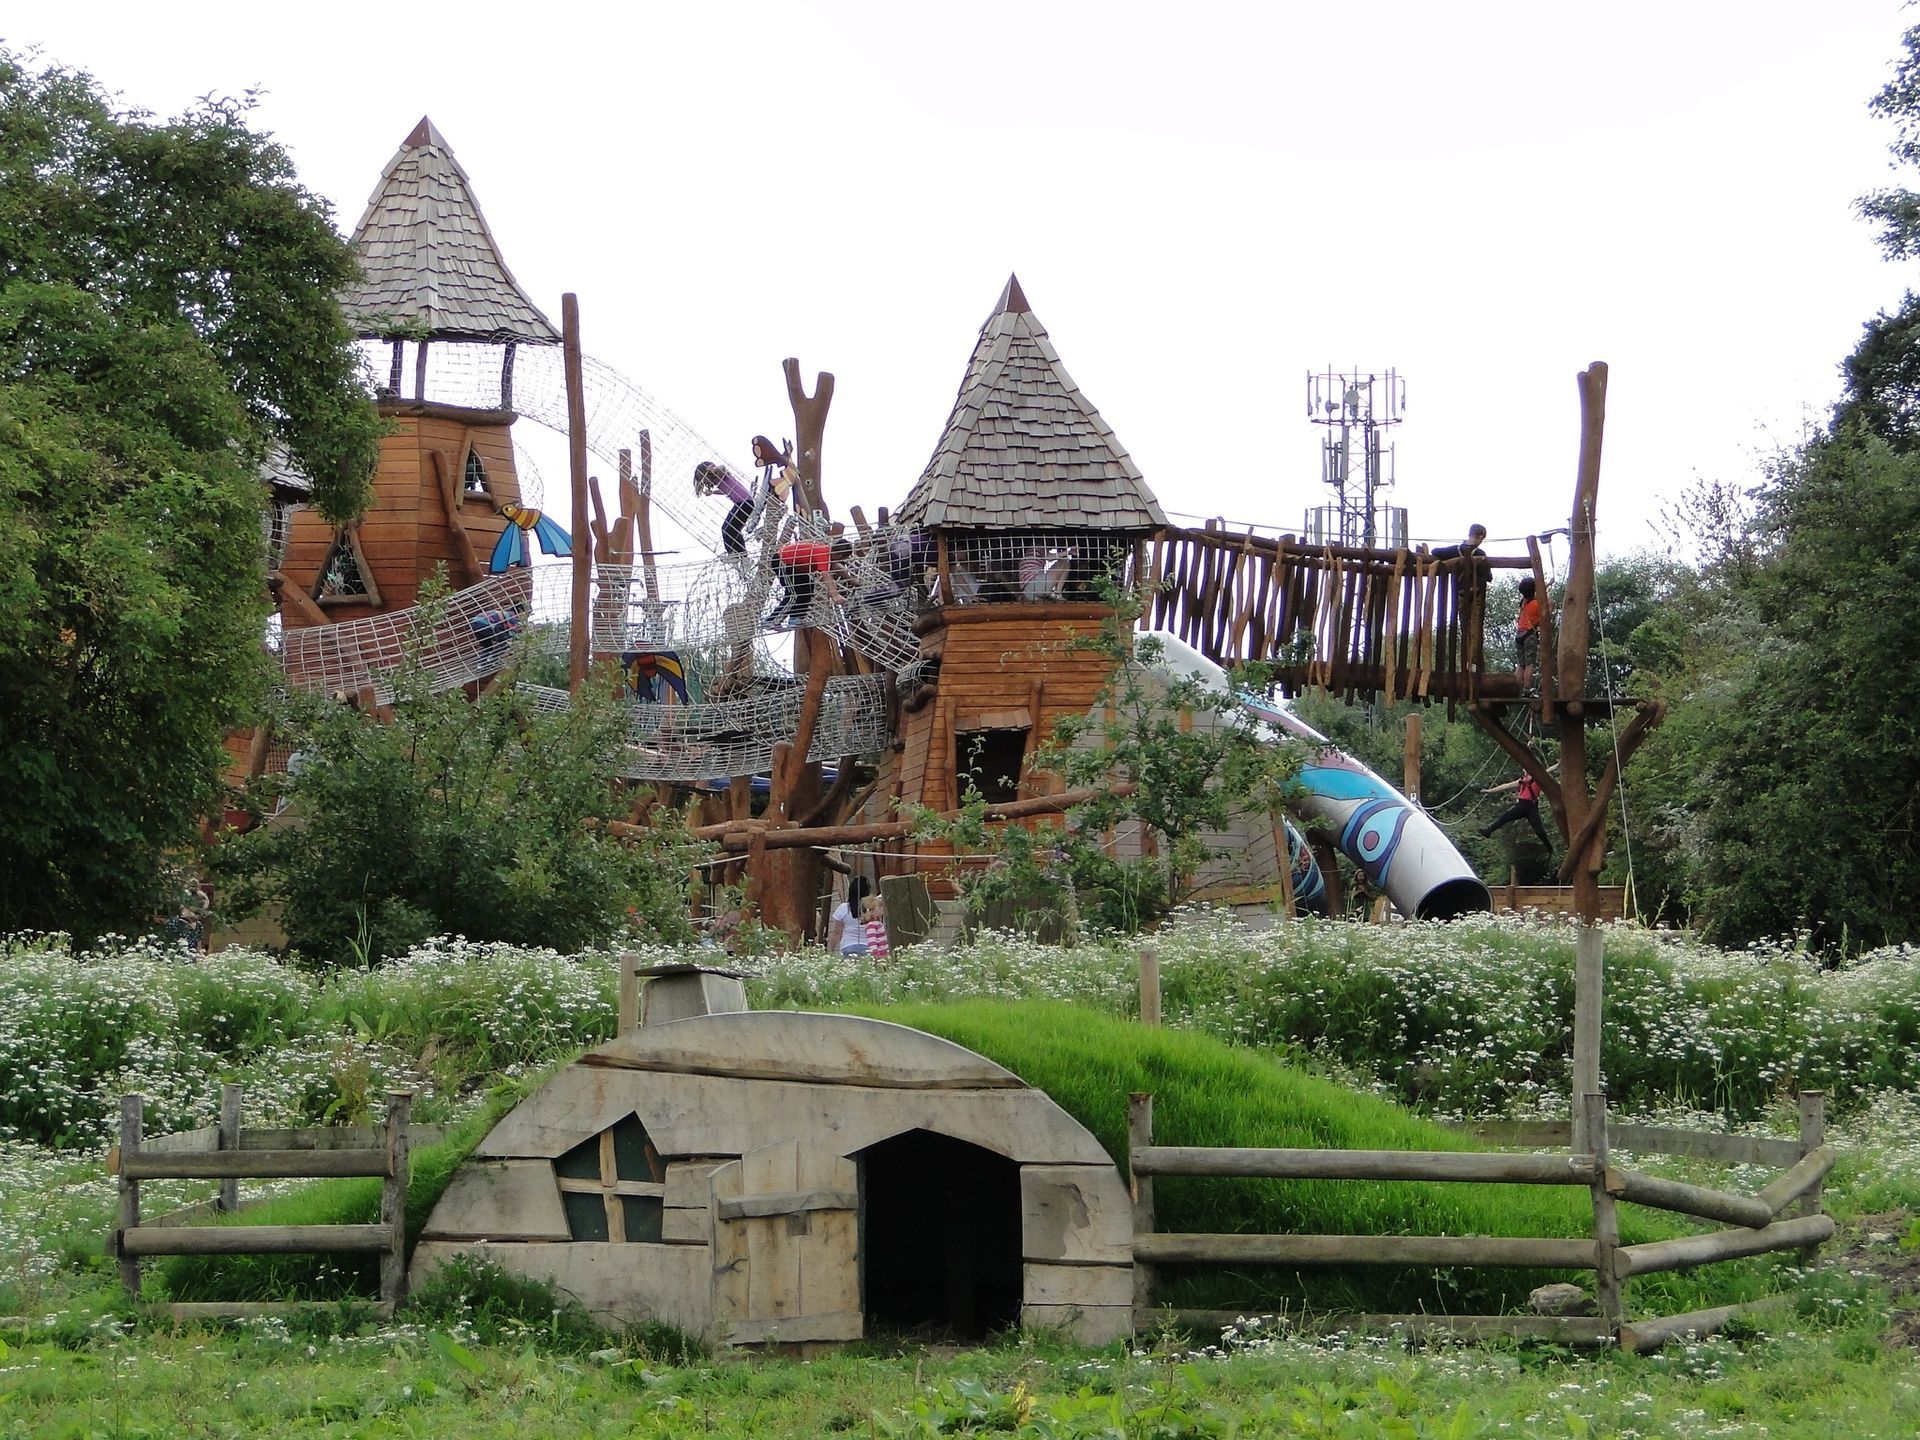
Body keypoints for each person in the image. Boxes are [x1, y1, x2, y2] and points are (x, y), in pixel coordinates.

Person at [767, 535, 850, 630]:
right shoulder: (824, 555)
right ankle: (772, 621)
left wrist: (855, 582)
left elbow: (838, 569)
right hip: (783, 561)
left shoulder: (828, 553)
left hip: (794, 566)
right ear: (840, 556)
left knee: (807, 587)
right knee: (793, 594)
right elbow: (826, 575)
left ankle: (796, 618)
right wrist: (835, 595)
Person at [694, 460, 758, 555]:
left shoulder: (720, 474)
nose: (705, 482)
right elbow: (726, 490)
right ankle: (740, 554)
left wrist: (713, 469)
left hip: (744, 503)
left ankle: (736, 554)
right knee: (730, 529)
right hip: (742, 503)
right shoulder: (718, 481)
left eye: (704, 478)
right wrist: (712, 492)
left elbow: (722, 467)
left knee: (729, 529)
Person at [1481, 769, 1553, 850]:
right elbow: (1506, 786)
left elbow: (1547, 771)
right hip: (1522, 805)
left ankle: (1549, 848)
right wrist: (1490, 791)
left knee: (1539, 829)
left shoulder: (1537, 777)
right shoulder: (1522, 780)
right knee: (1505, 817)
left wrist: (1557, 766)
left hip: (1531, 806)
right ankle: (1488, 830)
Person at [828, 876, 871, 957]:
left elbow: (837, 932)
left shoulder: (843, 908)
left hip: (848, 946)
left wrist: (830, 951)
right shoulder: (872, 909)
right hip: (868, 946)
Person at [1515, 576, 1544, 694]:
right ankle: (1527, 689)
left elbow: (1532, 593)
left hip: (1519, 634)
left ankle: (1515, 689)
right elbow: (1547, 610)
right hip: (1529, 634)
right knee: (1530, 663)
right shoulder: (1537, 604)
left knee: (1521, 664)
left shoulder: (1524, 603)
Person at [861, 893, 891, 961]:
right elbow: (872, 942)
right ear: (871, 911)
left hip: (885, 954)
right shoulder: (871, 925)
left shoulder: (877, 923)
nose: (882, 909)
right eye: (879, 907)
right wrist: (876, 956)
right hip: (881, 956)